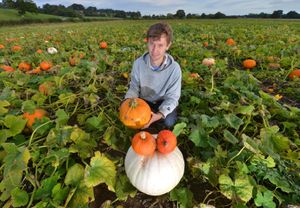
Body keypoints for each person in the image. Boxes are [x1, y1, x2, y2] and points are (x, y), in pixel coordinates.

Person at [124, 22, 182, 130]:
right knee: (131, 118)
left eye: (160, 45)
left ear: (168, 46)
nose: (155, 50)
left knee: (168, 122)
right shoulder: (138, 63)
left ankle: (157, 119)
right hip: (144, 101)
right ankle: (149, 122)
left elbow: (172, 97)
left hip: (163, 101)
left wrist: (160, 114)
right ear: (147, 43)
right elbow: (134, 87)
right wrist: (128, 101)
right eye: (152, 44)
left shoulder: (174, 69)